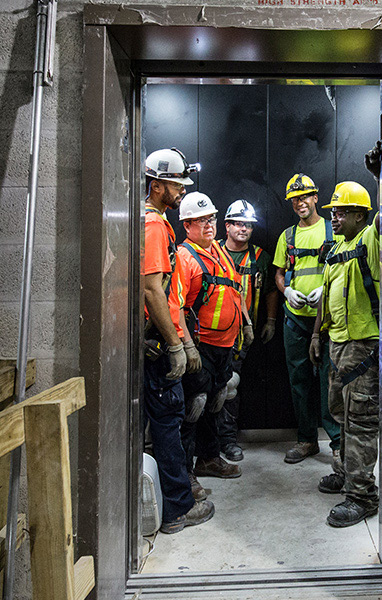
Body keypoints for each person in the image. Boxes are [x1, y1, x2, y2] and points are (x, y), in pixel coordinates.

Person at [142, 148, 214, 533]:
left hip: (156, 336)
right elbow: (154, 291)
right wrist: (174, 344)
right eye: (175, 184)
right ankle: (176, 511)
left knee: (163, 421)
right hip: (156, 342)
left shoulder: (150, 221)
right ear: (157, 186)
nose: (182, 190)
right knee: (169, 422)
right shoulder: (153, 226)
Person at [310, 180, 382, 528]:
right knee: (339, 414)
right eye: (333, 212)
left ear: (359, 214)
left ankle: (363, 496)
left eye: (340, 212)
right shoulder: (338, 247)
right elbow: (327, 292)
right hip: (337, 344)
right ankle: (346, 473)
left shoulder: (370, 240)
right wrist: (315, 333)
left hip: (363, 346)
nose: (333, 217)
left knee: (361, 422)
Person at [177, 192, 249, 487]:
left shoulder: (219, 251)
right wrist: (187, 347)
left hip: (225, 346)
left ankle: (209, 458)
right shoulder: (185, 257)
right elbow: (176, 306)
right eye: (200, 220)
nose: (208, 225)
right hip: (201, 347)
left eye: (211, 219)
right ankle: (185, 474)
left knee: (215, 404)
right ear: (187, 225)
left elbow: (234, 290)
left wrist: (246, 323)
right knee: (194, 406)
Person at [273, 174, 342, 465]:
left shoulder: (332, 231)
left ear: (315, 197)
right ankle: (306, 440)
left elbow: (344, 265)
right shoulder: (287, 237)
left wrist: (324, 290)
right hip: (295, 320)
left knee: (331, 382)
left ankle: (338, 443)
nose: (300, 202)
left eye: (305, 196)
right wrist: (286, 290)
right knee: (299, 381)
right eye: (295, 199)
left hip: (327, 320)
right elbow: (278, 273)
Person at [216, 199, 279, 462]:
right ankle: (205, 444)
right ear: (227, 225)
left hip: (242, 337)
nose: (244, 229)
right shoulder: (210, 251)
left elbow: (271, 291)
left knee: (230, 387)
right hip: (210, 334)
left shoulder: (259, 257)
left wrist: (271, 321)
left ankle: (228, 441)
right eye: (238, 224)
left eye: (249, 225)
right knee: (204, 390)